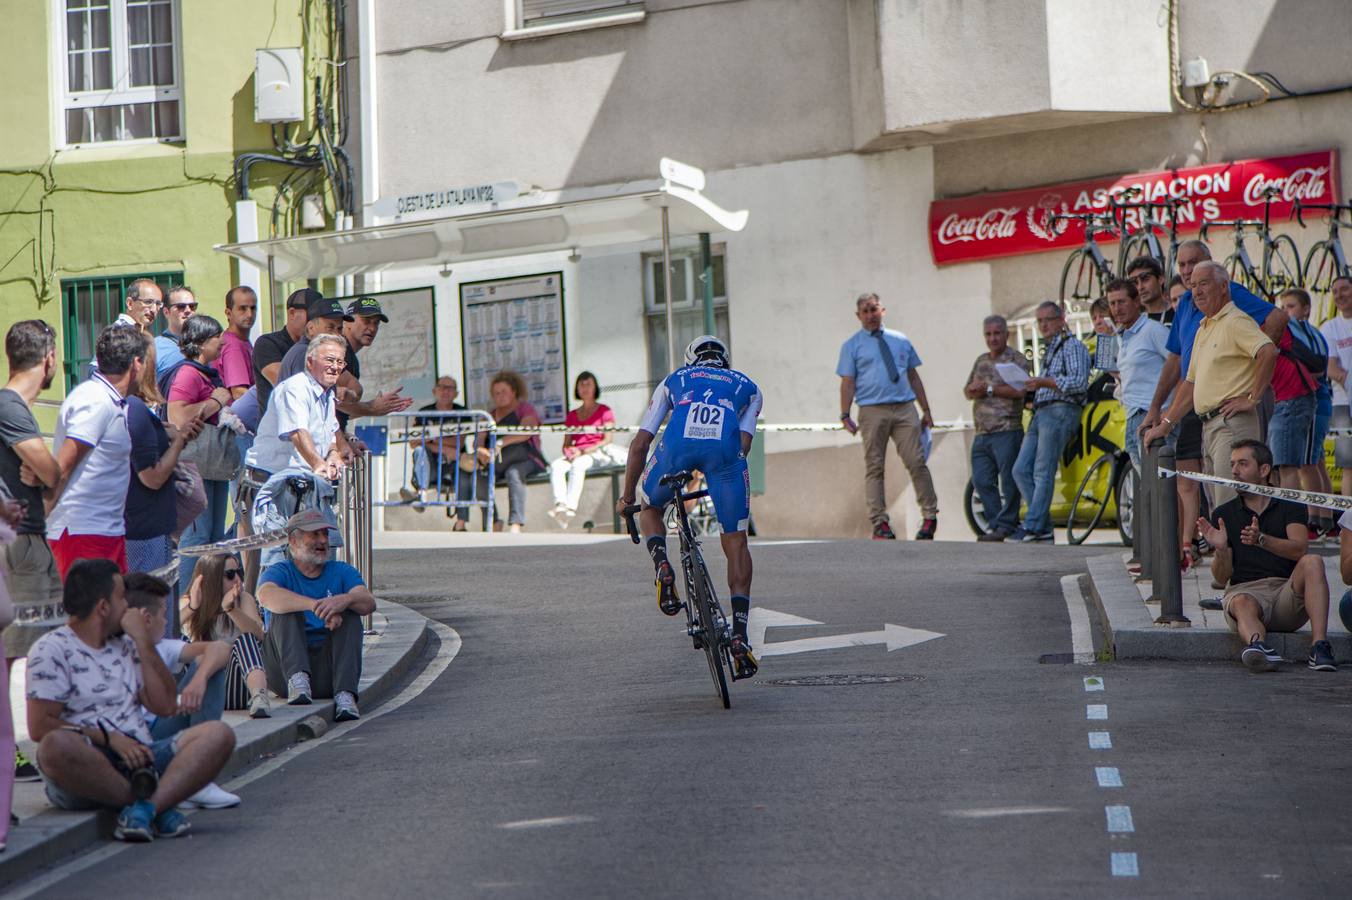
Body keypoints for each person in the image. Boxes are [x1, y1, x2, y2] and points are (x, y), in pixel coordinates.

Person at [26, 559, 235, 841]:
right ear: (103, 607)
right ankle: (154, 807)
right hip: (88, 763)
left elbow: (163, 706)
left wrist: (143, 642)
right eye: (121, 597)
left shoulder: (127, 645)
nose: (128, 606)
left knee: (218, 735)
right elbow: (40, 728)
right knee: (53, 747)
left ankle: (145, 809)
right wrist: (109, 739)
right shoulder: (50, 649)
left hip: (143, 758)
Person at [619, 335, 763, 677]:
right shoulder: (748, 386)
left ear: (690, 360)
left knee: (650, 506)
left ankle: (662, 565)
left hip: (676, 449)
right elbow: (743, 444)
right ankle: (740, 636)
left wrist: (627, 499)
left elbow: (641, 444)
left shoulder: (675, 380)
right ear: (724, 362)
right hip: (725, 458)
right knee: (736, 539)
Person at [1140, 240, 1288, 556]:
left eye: (1201, 280)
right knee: (1220, 503)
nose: (1193, 282)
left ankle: (1244, 581)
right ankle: (1230, 577)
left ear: (1222, 286)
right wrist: (1163, 422)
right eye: (1187, 275)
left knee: (1233, 501)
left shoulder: (1233, 313)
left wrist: (1253, 391)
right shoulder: (1201, 322)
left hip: (1232, 418)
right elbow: (1187, 379)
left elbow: (1268, 346)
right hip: (1208, 420)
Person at [1194, 440, 1336, 673]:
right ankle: (1257, 647)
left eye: (1243, 464)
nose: (1235, 472)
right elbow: (1221, 578)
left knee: (1313, 562)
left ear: (1264, 470)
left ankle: (1320, 646)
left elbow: (1300, 550)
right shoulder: (1223, 513)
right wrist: (1220, 550)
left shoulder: (1290, 505)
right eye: (1233, 465)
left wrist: (1262, 539)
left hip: (1285, 594)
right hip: (1245, 592)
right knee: (1241, 601)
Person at [0, 320, 64, 784]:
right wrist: (47, 469)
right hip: (19, 548)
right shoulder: (10, 406)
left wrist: (44, 476)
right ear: (48, 360)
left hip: (28, 542)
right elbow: (48, 468)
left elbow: (44, 475)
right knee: (25, 654)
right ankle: (21, 754)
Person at [123, 573, 239, 810]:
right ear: (146, 618)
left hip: (159, 728)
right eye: (164, 614)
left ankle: (198, 778)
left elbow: (220, 649)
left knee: (210, 666)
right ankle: (191, 778)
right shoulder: (114, 648)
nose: (167, 623)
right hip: (129, 742)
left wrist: (199, 678)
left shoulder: (161, 646)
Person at [256, 510, 376, 720]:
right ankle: (298, 680)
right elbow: (265, 595)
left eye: (325, 534)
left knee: (350, 613)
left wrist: (343, 601)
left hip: (327, 672)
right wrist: (316, 607)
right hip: (284, 673)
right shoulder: (280, 571)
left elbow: (368, 602)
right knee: (285, 610)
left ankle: (345, 695)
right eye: (315, 534)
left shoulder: (341, 570)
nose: (323, 541)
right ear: (293, 540)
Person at [837, 293, 938, 540]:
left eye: (874, 310)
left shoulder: (900, 340)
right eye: (865, 311)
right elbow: (847, 382)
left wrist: (926, 410)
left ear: (883, 310)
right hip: (872, 410)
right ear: (858, 316)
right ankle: (879, 522)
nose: (870, 315)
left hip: (904, 407)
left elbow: (913, 376)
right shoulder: (852, 346)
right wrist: (845, 414)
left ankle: (929, 516)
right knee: (874, 466)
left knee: (916, 460)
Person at [46, 326, 141, 577]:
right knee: (91, 615)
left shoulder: (108, 400)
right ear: (136, 364)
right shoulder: (95, 400)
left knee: (114, 613)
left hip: (103, 532)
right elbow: (62, 467)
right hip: (83, 533)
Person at [125, 333, 202, 589]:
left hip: (150, 530)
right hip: (145, 533)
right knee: (151, 613)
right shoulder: (134, 408)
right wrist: (178, 441)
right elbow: (152, 476)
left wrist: (166, 432)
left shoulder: (133, 408)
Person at [1011, 302, 1089, 543]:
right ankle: (1042, 525)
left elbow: (1078, 382)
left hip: (1060, 411)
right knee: (1020, 470)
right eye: (1040, 321)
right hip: (1041, 412)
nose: (1044, 325)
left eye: (1048, 319)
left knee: (1042, 471)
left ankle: (1034, 525)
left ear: (1061, 319)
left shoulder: (1073, 346)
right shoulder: (1051, 349)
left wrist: (1044, 383)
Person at [167, 316, 235, 596]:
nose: (222, 341)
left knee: (214, 539)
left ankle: (207, 604)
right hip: (196, 465)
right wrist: (216, 402)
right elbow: (177, 416)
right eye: (217, 336)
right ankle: (184, 606)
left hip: (214, 466)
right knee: (198, 539)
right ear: (201, 343)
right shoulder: (188, 374)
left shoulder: (207, 372)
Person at [962, 316, 1030, 541]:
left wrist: (989, 389)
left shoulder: (1016, 359)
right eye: (988, 334)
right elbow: (967, 390)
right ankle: (995, 524)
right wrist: (974, 389)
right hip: (982, 432)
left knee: (1009, 481)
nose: (992, 338)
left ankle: (1008, 525)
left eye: (997, 333)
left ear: (1006, 334)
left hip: (1006, 429)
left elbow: (1021, 391)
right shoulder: (981, 361)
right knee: (981, 480)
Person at [181, 553, 271, 718]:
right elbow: (164, 635)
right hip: (198, 688)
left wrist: (231, 610)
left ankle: (259, 696)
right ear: (211, 579)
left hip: (233, 688)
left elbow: (259, 635)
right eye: (230, 575)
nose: (237, 579)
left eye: (239, 572)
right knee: (180, 643)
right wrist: (193, 607)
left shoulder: (243, 599)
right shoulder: (190, 602)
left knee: (246, 639)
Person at [457, 370, 547, 534]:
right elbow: (480, 439)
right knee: (479, 478)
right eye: (496, 393)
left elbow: (526, 431)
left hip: (527, 458)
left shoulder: (524, 409)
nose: (500, 396)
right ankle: (494, 521)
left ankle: (516, 523)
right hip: (496, 462)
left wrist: (500, 443)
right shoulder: (489, 416)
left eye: (504, 392)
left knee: (514, 473)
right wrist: (481, 451)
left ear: (514, 392)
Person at [1283, 288, 1336, 538]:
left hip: (1314, 399)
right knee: (1316, 461)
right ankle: (1326, 518)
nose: (1285, 312)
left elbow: (1315, 367)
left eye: (1291, 306)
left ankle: (1314, 519)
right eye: (1283, 307)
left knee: (1306, 462)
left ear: (1306, 309)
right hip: (1320, 401)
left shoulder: (1307, 333)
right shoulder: (1310, 333)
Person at [1106, 279, 1170, 471]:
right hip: (1132, 416)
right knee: (1147, 490)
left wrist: (1168, 411)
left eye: (1122, 301)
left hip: (1152, 417)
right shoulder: (1121, 336)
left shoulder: (1153, 330)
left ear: (1136, 302)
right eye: (1112, 303)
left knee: (1162, 488)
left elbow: (1181, 366)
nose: (1117, 308)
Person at [548, 371, 626, 525]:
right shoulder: (571, 415)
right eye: (581, 385)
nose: (584, 388)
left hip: (596, 453)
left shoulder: (605, 411)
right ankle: (560, 504)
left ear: (595, 387)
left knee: (579, 465)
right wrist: (569, 452)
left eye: (588, 384)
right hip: (577, 453)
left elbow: (607, 440)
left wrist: (582, 451)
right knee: (556, 466)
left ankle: (570, 508)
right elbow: (566, 443)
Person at [335, 296, 414, 428]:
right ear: (347, 322)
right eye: (366, 321)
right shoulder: (339, 350)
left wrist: (376, 407)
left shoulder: (349, 355)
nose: (372, 328)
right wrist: (372, 408)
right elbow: (331, 403)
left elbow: (341, 410)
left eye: (376, 323)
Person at [404, 375, 467, 508]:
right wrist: (442, 446)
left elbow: (458, 443)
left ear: (456, 394)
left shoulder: (462, 412)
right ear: (434, 391)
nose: (445, 391)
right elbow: (413, 443)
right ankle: (421, 494)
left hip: (454, 466)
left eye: (450, 388)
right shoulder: (424, 413)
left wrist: (430, 439)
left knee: (423, 447)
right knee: (420, 450)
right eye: (442, 387)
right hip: (430, 464)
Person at [252, 287, 316, 414]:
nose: (314, 323)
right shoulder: (268, 343)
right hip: (277, 430)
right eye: (312, 316)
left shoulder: (320, 348)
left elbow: (351, 388)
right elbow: (286, 382)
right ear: (292, 313)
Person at [1319, 276, 1352, 501]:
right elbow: (1331, 368)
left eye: (1345, 290)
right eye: (1335, 291)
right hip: (1343, 403)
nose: (1339, 295)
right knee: (1348, 465)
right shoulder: (1330, 327)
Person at [215, 285, 257, 400]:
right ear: (228, 313)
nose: (249, 314)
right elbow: (239, 393)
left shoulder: (240, 341)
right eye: (242, 308)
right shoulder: (233, 345)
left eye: (253, 308)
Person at [153, 285, 196, 379]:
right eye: (181, 306)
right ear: (166, 312)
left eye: (192, 306)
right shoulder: (154, 347)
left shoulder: (206, 343)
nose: (188, 310)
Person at [1125, 256, 1173, 324]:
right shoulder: (1134, 321)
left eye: (1145, 279)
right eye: (1135, 282)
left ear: (1160, 279)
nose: (1140, 287)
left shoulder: (1177, 313)